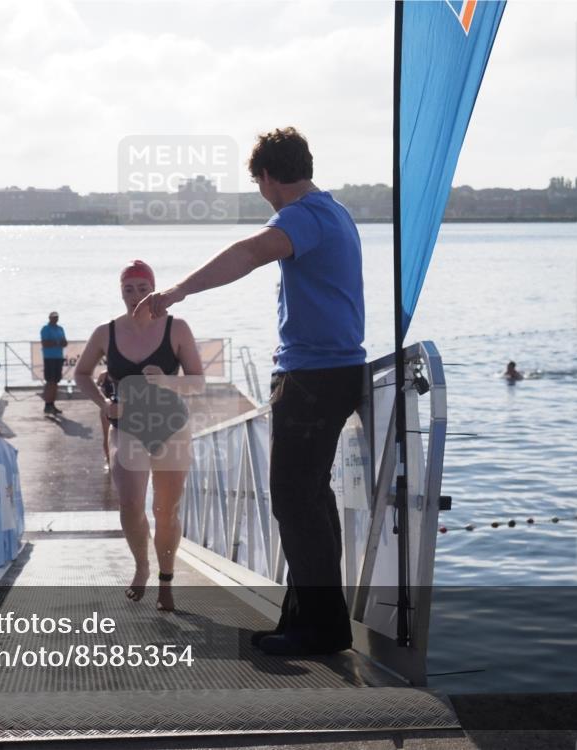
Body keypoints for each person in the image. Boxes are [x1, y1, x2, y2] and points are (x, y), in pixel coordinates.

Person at [134, 127, 365, 655]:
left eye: (259, 182)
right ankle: (310, 617)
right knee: (311, 497)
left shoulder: (301, 217)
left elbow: (250, 252)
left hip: (311, 376)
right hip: (336, 371)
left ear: (266, 178)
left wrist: (176, 291)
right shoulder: (337, 212)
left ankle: (321, 629)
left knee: (292, 498)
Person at [75, 260, 205, 612]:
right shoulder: (107, 332)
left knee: (166, 509)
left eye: (142, 289)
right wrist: (103, 402)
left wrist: (167, 381)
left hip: (171, 428)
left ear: (154, 290)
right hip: (128, 427)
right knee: (131, 504)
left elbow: (197, 381)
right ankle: (142, 565)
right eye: (128, 289)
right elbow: (82, 373)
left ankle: (166, 577)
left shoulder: (176, 328)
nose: (135, 296)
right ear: (120, 292)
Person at [40, 311, 67, 415]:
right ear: (49, 318)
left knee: (56, 381)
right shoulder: (45, 329)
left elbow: (65, 342)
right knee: (50, 381)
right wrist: (57, 342)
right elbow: (45, 343)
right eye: (53, 317)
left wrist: (57, 342)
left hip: (58, 357)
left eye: (57, 317)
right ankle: (47, 404)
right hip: (49, 358)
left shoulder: (60, 329)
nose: (55, 319)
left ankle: (52, 404)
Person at [96, 369, 116, 471]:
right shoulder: (104, 374)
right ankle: (108, 459)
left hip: (122, 408)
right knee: (106, 435)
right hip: (106, 408)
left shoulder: (125, 371)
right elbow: (96, 388)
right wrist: (103, 400)